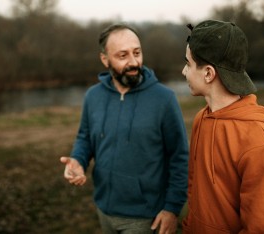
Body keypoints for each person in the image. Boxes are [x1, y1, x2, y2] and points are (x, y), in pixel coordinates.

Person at [60, 22, 189, 234]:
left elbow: (179, 157)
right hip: (104, 210)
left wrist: (172, 209)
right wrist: (78, 160)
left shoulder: (164, 99)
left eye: (137, 53)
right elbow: (85, 137)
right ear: (105, 59)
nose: (133, 62)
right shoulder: (93, 96)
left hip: (147, 218)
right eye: (122, 56)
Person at [181, 19, 264, 233]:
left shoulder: (259, 141)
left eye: (188, 63)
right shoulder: (201, 118)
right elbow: (194, 184)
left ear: (208, 73)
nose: (183, 72)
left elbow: (263, 227)